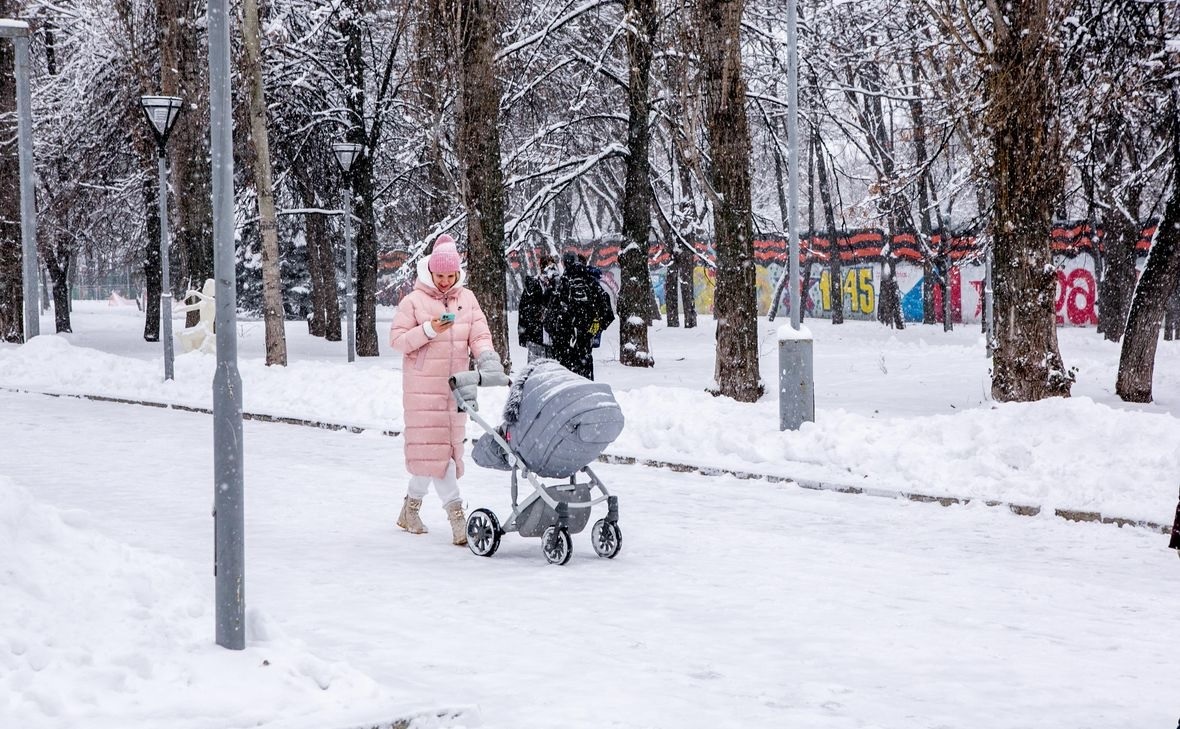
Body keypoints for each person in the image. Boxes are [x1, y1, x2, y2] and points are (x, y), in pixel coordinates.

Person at [389, 234, 504, 546]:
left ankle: (409, 510)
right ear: (429, 271)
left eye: (449, 275)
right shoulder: (413, 301)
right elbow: (397, 340)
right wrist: (429, 330)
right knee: (440, 457)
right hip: (423, 389)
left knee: (442, 453)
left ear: (457, 273)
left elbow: (479, 333)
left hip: (456, 388)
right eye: (439, 275)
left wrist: (487, 359)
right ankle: (457, 518)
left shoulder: (467, 300)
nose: (444, 281)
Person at [543, 251, 615, 380]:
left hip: (563, 339)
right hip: (585, 336)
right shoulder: (590, 281)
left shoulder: (562, 282)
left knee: (565, 375)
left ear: (564, 264)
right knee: (584, 370)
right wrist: (596, 327)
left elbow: (551, 313)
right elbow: (607, 310)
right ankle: (586, 392)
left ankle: (569, 395)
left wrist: (556, 331)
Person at [518, 253, 559, 362]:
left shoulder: (557, 287)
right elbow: (524, 310)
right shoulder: (532, 286)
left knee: (551, 370)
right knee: (535, 368)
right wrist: (523, 334)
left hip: (551, 337)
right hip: (536, 335)